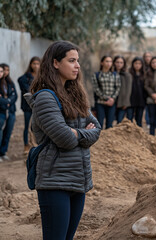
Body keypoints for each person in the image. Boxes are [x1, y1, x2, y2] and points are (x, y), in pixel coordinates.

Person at [24, 40, 101, 240]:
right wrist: (79, 133)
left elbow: (97, 128)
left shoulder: (76, 95)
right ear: (56, 63)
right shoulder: (45, 98)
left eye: (78, 61)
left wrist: (77, 133)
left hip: (79, 180)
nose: (77, 66)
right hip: (54, 183)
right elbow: (65, 139)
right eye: (71, 60)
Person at [18, 56, 41, 154]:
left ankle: (35, 144)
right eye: (34, 64)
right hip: (28, 105)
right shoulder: (25, 77)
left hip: (39, 105)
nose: (36, 66)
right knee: (27, 125)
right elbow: (26, 90)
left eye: (38, 64)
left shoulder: (42, 76)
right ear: (30, 65)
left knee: (37, 125)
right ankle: (26, 145)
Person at [91, 55, 121, 129]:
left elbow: (117, 88)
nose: (109, 63)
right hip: (100, 102)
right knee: (99, 123)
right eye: (107, 61)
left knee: (109, 124)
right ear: (102, 63)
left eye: (110, 61)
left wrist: (112, 99)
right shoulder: (96, 75)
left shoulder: (115, 75)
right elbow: (96, 89)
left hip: (111, 103)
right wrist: (106, 98)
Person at [0, 63, 17, 160]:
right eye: (3, 70)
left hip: (10, 110)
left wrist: (7, 101)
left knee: (8, 132)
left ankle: (3, 152)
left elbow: (15, 96)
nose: (4, 72)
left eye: (6, 70)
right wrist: (6, 101)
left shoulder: (9, 82)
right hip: (2, 111)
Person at [127, 57, 146, 127]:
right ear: (133, 64)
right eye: (136, 63)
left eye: (139, 64)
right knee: (129, 120)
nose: (137, 65)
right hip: (130, 101)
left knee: (139, 121)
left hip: (141, 101)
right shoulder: (129, 74)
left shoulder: (144, 75)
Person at [113, 56, 132, 123]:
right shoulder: (111, 74)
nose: (119, 64)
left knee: (119, 120)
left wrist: (125, 103)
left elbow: (128, 90)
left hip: (122, 102)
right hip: (112, 101)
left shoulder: (127, 75)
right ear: (114, 63)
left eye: (121, 62)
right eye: (117, 62)